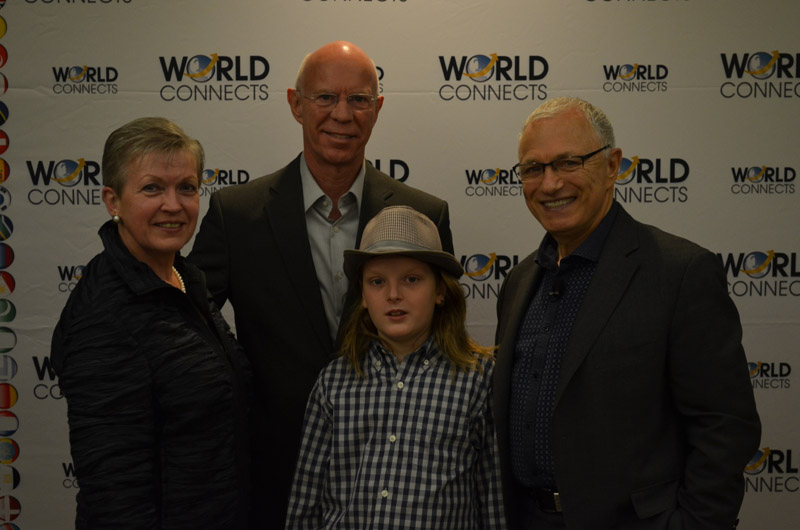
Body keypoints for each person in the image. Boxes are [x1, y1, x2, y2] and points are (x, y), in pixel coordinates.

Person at [188, 41, 453, 527]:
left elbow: (442, 339)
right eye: (325, 98)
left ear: (377, 109)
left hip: (398, 475)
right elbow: (188, 322)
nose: (342, 115)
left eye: (359, 100)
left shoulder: (423, 215)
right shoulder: (237, 214)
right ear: (296, 104)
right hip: (274, 473)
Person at [493, 97, 761, 530]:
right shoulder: (519, 282)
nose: (550, 184)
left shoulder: (680, 273)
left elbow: (724, 426)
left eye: (568, 162)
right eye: (533, 169)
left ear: (612, 165)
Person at [51, 117, 252, 529]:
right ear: (113, 201)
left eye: (187, 188)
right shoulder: (102, 316)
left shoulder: (182, 276)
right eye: (152, 188)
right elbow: (116, 498)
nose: (173, 205)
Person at [285, 205, 505, 529]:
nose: (393, 295)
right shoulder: (334, 382)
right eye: (377, 282)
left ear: (440, 291)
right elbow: (305, 502)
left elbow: (494, 501)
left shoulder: (478, 379)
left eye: (411, 279)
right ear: (362, 295)